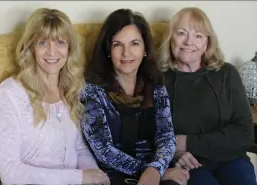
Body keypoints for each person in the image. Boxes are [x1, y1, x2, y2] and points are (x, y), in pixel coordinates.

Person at [0, 8, 110, 185]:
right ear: (30, 47)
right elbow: (10, 172)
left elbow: (79, 148)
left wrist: (95, 177)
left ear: (69, 48)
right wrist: (79, 178)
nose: (51, 52)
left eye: (60, 42)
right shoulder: (10, 92)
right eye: (42, 43)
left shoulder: (73, 87)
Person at [81, 8, 190, 185]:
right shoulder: (92, 90)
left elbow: (166, 137)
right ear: (108, 50)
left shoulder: (156, 85)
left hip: (157, 170)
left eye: (134, 43)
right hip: (112, 175)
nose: (126, 53)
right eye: (118, 45)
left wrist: (156, 168)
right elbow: (103, 151)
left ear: (145, 49)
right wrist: (150, 172)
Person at [158, 7, 257, 185]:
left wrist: (187, 142)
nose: (189, 41)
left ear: (207, 44)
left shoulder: (227, 73)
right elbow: (150, 133)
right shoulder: (158, 80)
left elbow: (244, 132)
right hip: (188, 164)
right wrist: (174, 151)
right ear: (170, 39)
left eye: (198, 36)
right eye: (181, 33)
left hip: (231, 159)